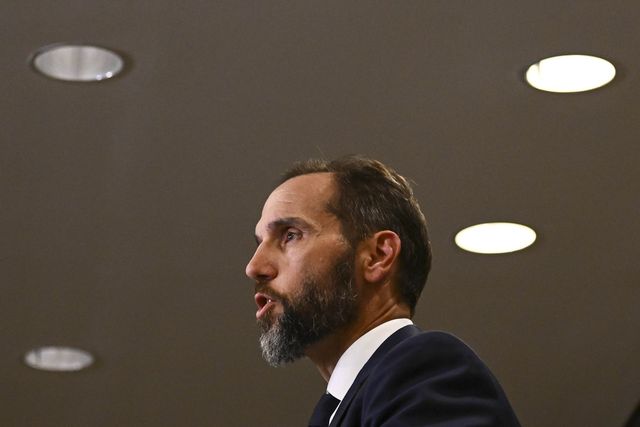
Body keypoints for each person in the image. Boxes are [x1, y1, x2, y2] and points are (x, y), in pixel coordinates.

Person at [246, 156, 521, 426]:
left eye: (290, 235)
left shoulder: (425, 370)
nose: (254, 267)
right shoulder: (337, 410)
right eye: (260, 243)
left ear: (378, 256)